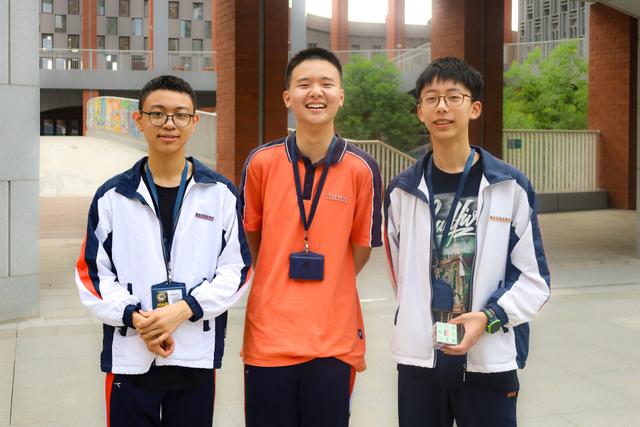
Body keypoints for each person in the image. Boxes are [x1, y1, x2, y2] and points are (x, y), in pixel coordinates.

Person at [75, 75, 252, 427]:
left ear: (194, 122)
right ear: (139, 120)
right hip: (131, 352)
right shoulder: (112, 196)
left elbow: (238, 269)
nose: (169, 124)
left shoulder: (220, 194)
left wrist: (184, 311)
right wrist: (136, 318)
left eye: (180, 115)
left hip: (194, 356)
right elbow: (92, 275)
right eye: (157, 114)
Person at [384, 57, 551, 427]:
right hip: (420, 354)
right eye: (431, 98)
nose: (442, 106)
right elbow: (402, 275)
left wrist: (488, 319)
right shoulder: (401, 192)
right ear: (420, 112)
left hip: (488, 355)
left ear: (474, 108)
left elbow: (534, 280)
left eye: (453, 96)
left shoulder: (510, 187)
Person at [239, 47, 383, 427]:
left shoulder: (362, 169)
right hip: (268, 339)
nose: (315, 92)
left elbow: (360, 249)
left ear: (340, 96)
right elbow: (253, 236)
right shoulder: (262, 163)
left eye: (326, 84)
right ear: (288, 98)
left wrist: (330, 282)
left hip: (333, 341)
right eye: (304, 84)